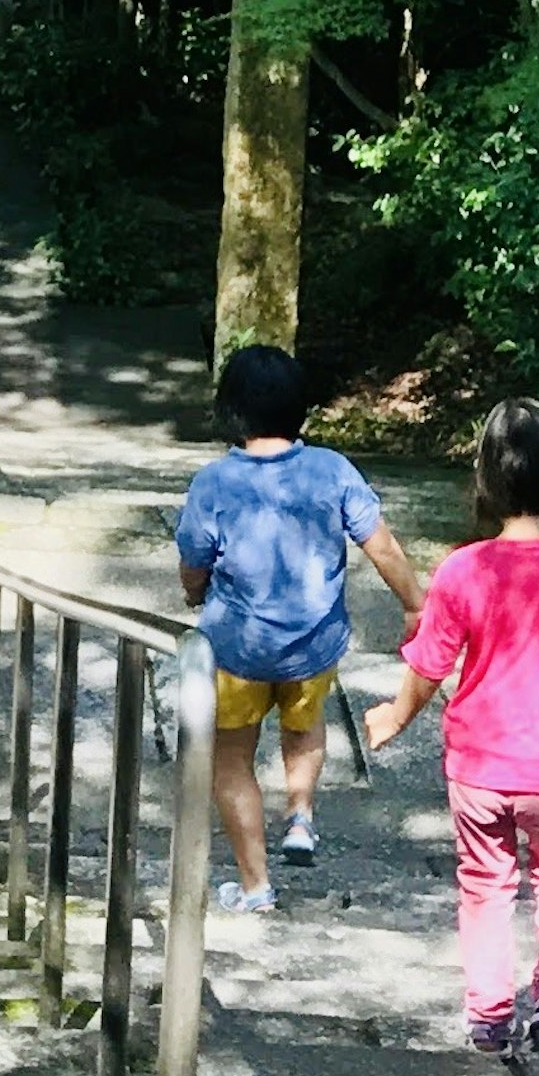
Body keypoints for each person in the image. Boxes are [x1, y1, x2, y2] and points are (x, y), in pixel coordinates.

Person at [362, 396, 539, 1057]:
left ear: (486, 477)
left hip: (479, 765)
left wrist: (396, 715)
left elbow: (429, 663)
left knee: (485, 883)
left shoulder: (463, 569)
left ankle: (488, 1012)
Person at [175, 345, 424, 916]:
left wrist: (194, 595)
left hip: (238, 649)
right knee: (305, 726)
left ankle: (257, 885)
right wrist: (415, 603)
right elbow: (378, 543)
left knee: (231, 759)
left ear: (230, 410)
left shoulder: (214, 483)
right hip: (314, 644)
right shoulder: (332, 470)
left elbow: (194, 560)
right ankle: (301, 815)